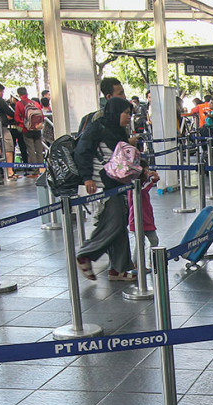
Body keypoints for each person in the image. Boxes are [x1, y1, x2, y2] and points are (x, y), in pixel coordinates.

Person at [74, 97, 146, 282]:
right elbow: (82, 152)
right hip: (102, 185)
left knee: (119, 224)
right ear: (115, 111)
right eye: (126, 113)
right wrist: (87, 177)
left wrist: (144, 170)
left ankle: (119, 269)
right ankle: (86, 253)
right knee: (114, 223)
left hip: (116, 183)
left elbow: (124, 160)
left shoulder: (118, 131)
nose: (128, 117)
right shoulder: (97, 128)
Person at [0, 83, 18, 180]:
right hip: (2, 127)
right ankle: (10, 171)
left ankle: (1, 171)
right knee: (8, 147)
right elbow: (9, 111)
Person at [14, 87, 44, 174]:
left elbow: (16, 118)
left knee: (31, 150)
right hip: (37, 129)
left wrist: (24, 124)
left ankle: (35, 170)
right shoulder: (35, 103)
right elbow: (42, 116)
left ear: (19, 94)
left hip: (26, 130)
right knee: (39, 149)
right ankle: (42, 168)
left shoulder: (19, 104)